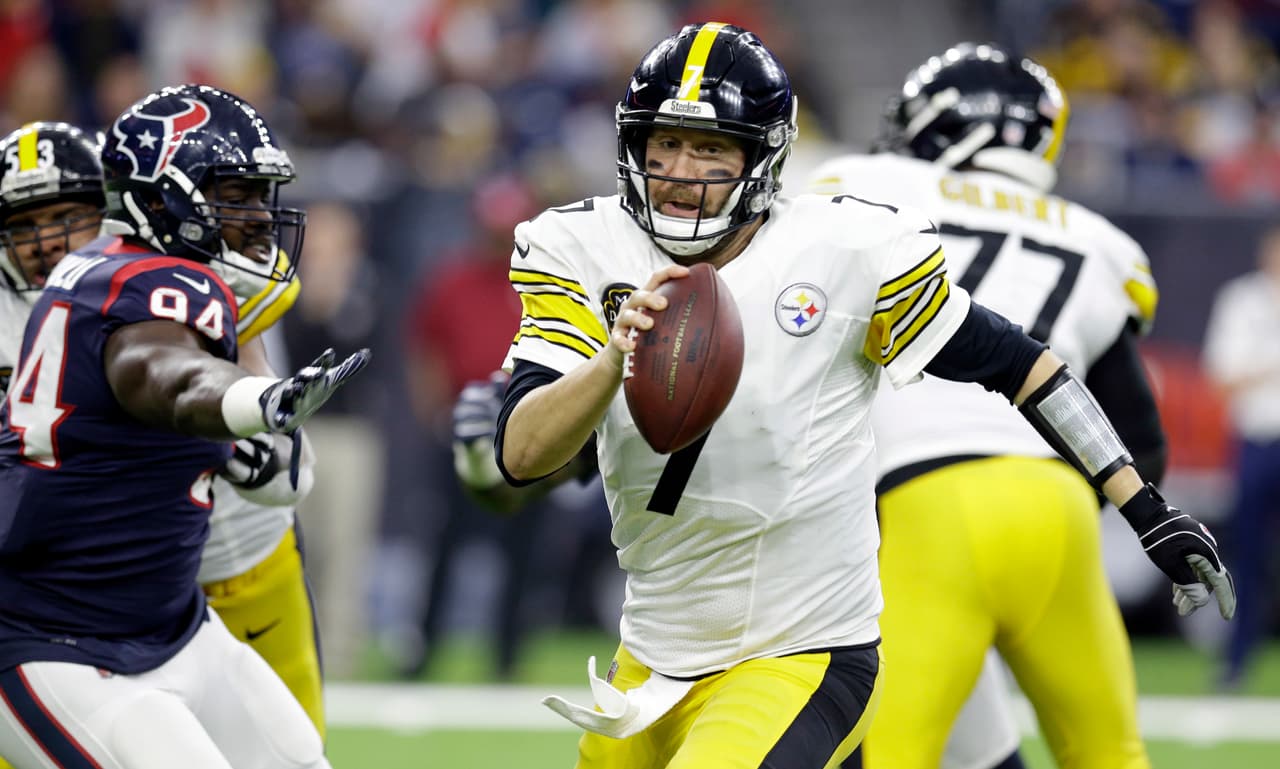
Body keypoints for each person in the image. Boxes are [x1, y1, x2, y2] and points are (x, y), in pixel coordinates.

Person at [494, 22, 1233, 769]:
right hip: (652, 656)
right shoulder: (579, 247)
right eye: (666, 142)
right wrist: (612, 358)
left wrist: (1145, 506)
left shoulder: (845, 248)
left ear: (763, 156)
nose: (682, 170)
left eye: (712, 147)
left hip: (802, 651)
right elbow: (522, 453)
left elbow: (1022, 364)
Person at [808, 42, 1173, 769]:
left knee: (882, 752)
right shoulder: (1094, 238)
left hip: (922, 503)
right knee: (1109, 751)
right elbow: (1138, 435)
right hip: (1058, 502)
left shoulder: (858, 184)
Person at [0, 84, 367, 769]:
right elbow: (162, 372)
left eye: (260, 195)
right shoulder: (133, 281)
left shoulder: (152, 274)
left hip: (174, 623)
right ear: (164, 195)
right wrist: (253, 403)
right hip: (58, 638)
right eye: (236, 193)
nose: (259, 216)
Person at [1202, 224, 1280, 691]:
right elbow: (1224, 377)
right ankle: (1235, 662)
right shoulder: (1242, 301)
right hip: (1257, 441)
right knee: (1247, 557)